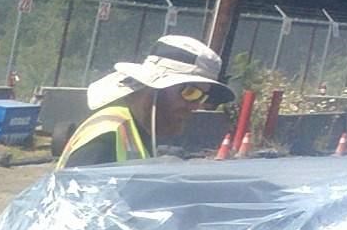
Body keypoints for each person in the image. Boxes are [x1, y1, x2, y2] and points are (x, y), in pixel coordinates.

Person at [56, 33, 238, 168]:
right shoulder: (107, 137)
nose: (195, 106)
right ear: (154, 88)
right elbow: (75, 210)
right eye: (190, 92)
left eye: (203, 97)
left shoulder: (134, 130)